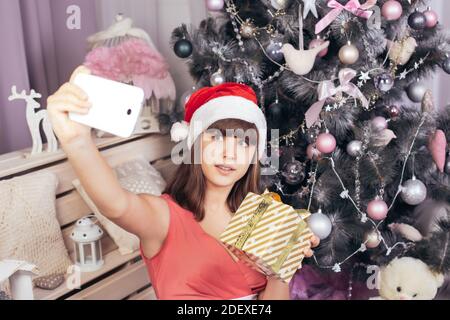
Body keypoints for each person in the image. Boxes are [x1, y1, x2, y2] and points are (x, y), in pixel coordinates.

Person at [47, 66, 319, 300]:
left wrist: (281, 269)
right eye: (216, 137)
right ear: (195, 144)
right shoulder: (164, 216)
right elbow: (116, 205)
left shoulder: (261, 216)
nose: (230, 153)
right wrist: (76, 140)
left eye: (244, 142)